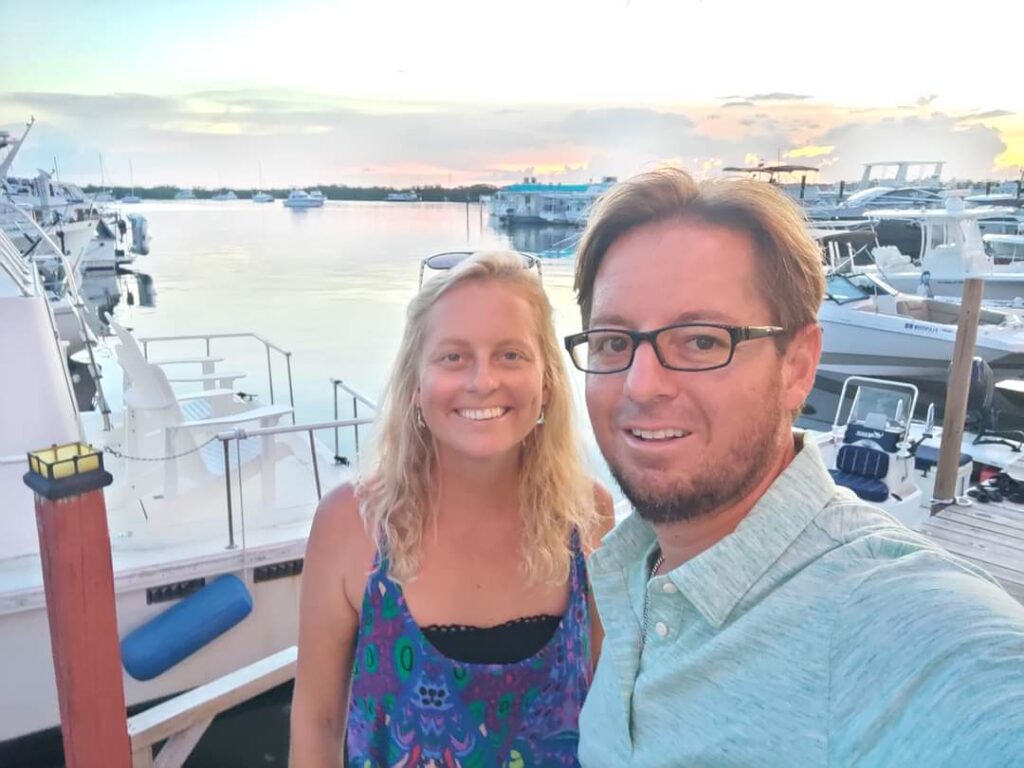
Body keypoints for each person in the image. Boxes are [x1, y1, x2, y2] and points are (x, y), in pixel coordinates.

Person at [566, 167, 1024, 766]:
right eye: (612, 342)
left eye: (702, 341)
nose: (641, 385)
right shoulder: (629, 570)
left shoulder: (895, 620)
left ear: (798, 366)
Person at [290, 250, 613, 767]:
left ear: (548, 382)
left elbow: (605, 708)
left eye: (510, 355)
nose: (482, 381)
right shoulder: (353, 524)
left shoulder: (586, 514)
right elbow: (318, 722)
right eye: (453, 357)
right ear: (416, 385)